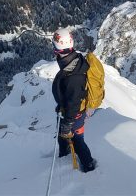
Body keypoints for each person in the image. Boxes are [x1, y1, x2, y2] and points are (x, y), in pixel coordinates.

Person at [52, 28, 97, 173]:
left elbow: (74, 100)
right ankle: (64, 156)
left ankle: (89, 165)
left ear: (57, 48)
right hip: (70, 111)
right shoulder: (72, 60)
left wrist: (68, 121)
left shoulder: (73, 75)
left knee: (77, 140)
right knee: (63, 136)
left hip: (75, 114)